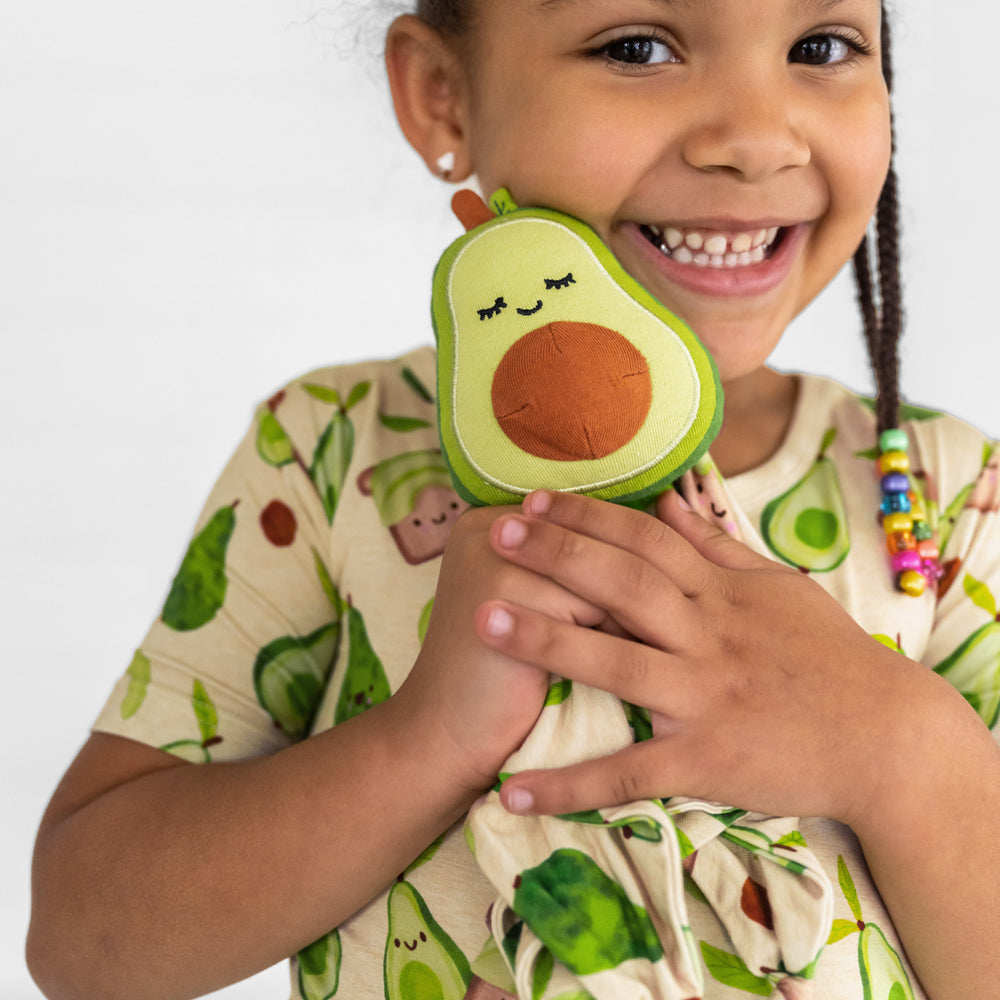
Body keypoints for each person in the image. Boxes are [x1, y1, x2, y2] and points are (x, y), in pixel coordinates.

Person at [26, 1, 1000, 998]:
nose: (754, 139)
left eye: (820, 48)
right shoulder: (329, 449)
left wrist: (900, 751)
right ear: (443, 97)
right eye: (637, 47)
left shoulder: (944, 493)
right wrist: (429, 739)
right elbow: (82, 942)